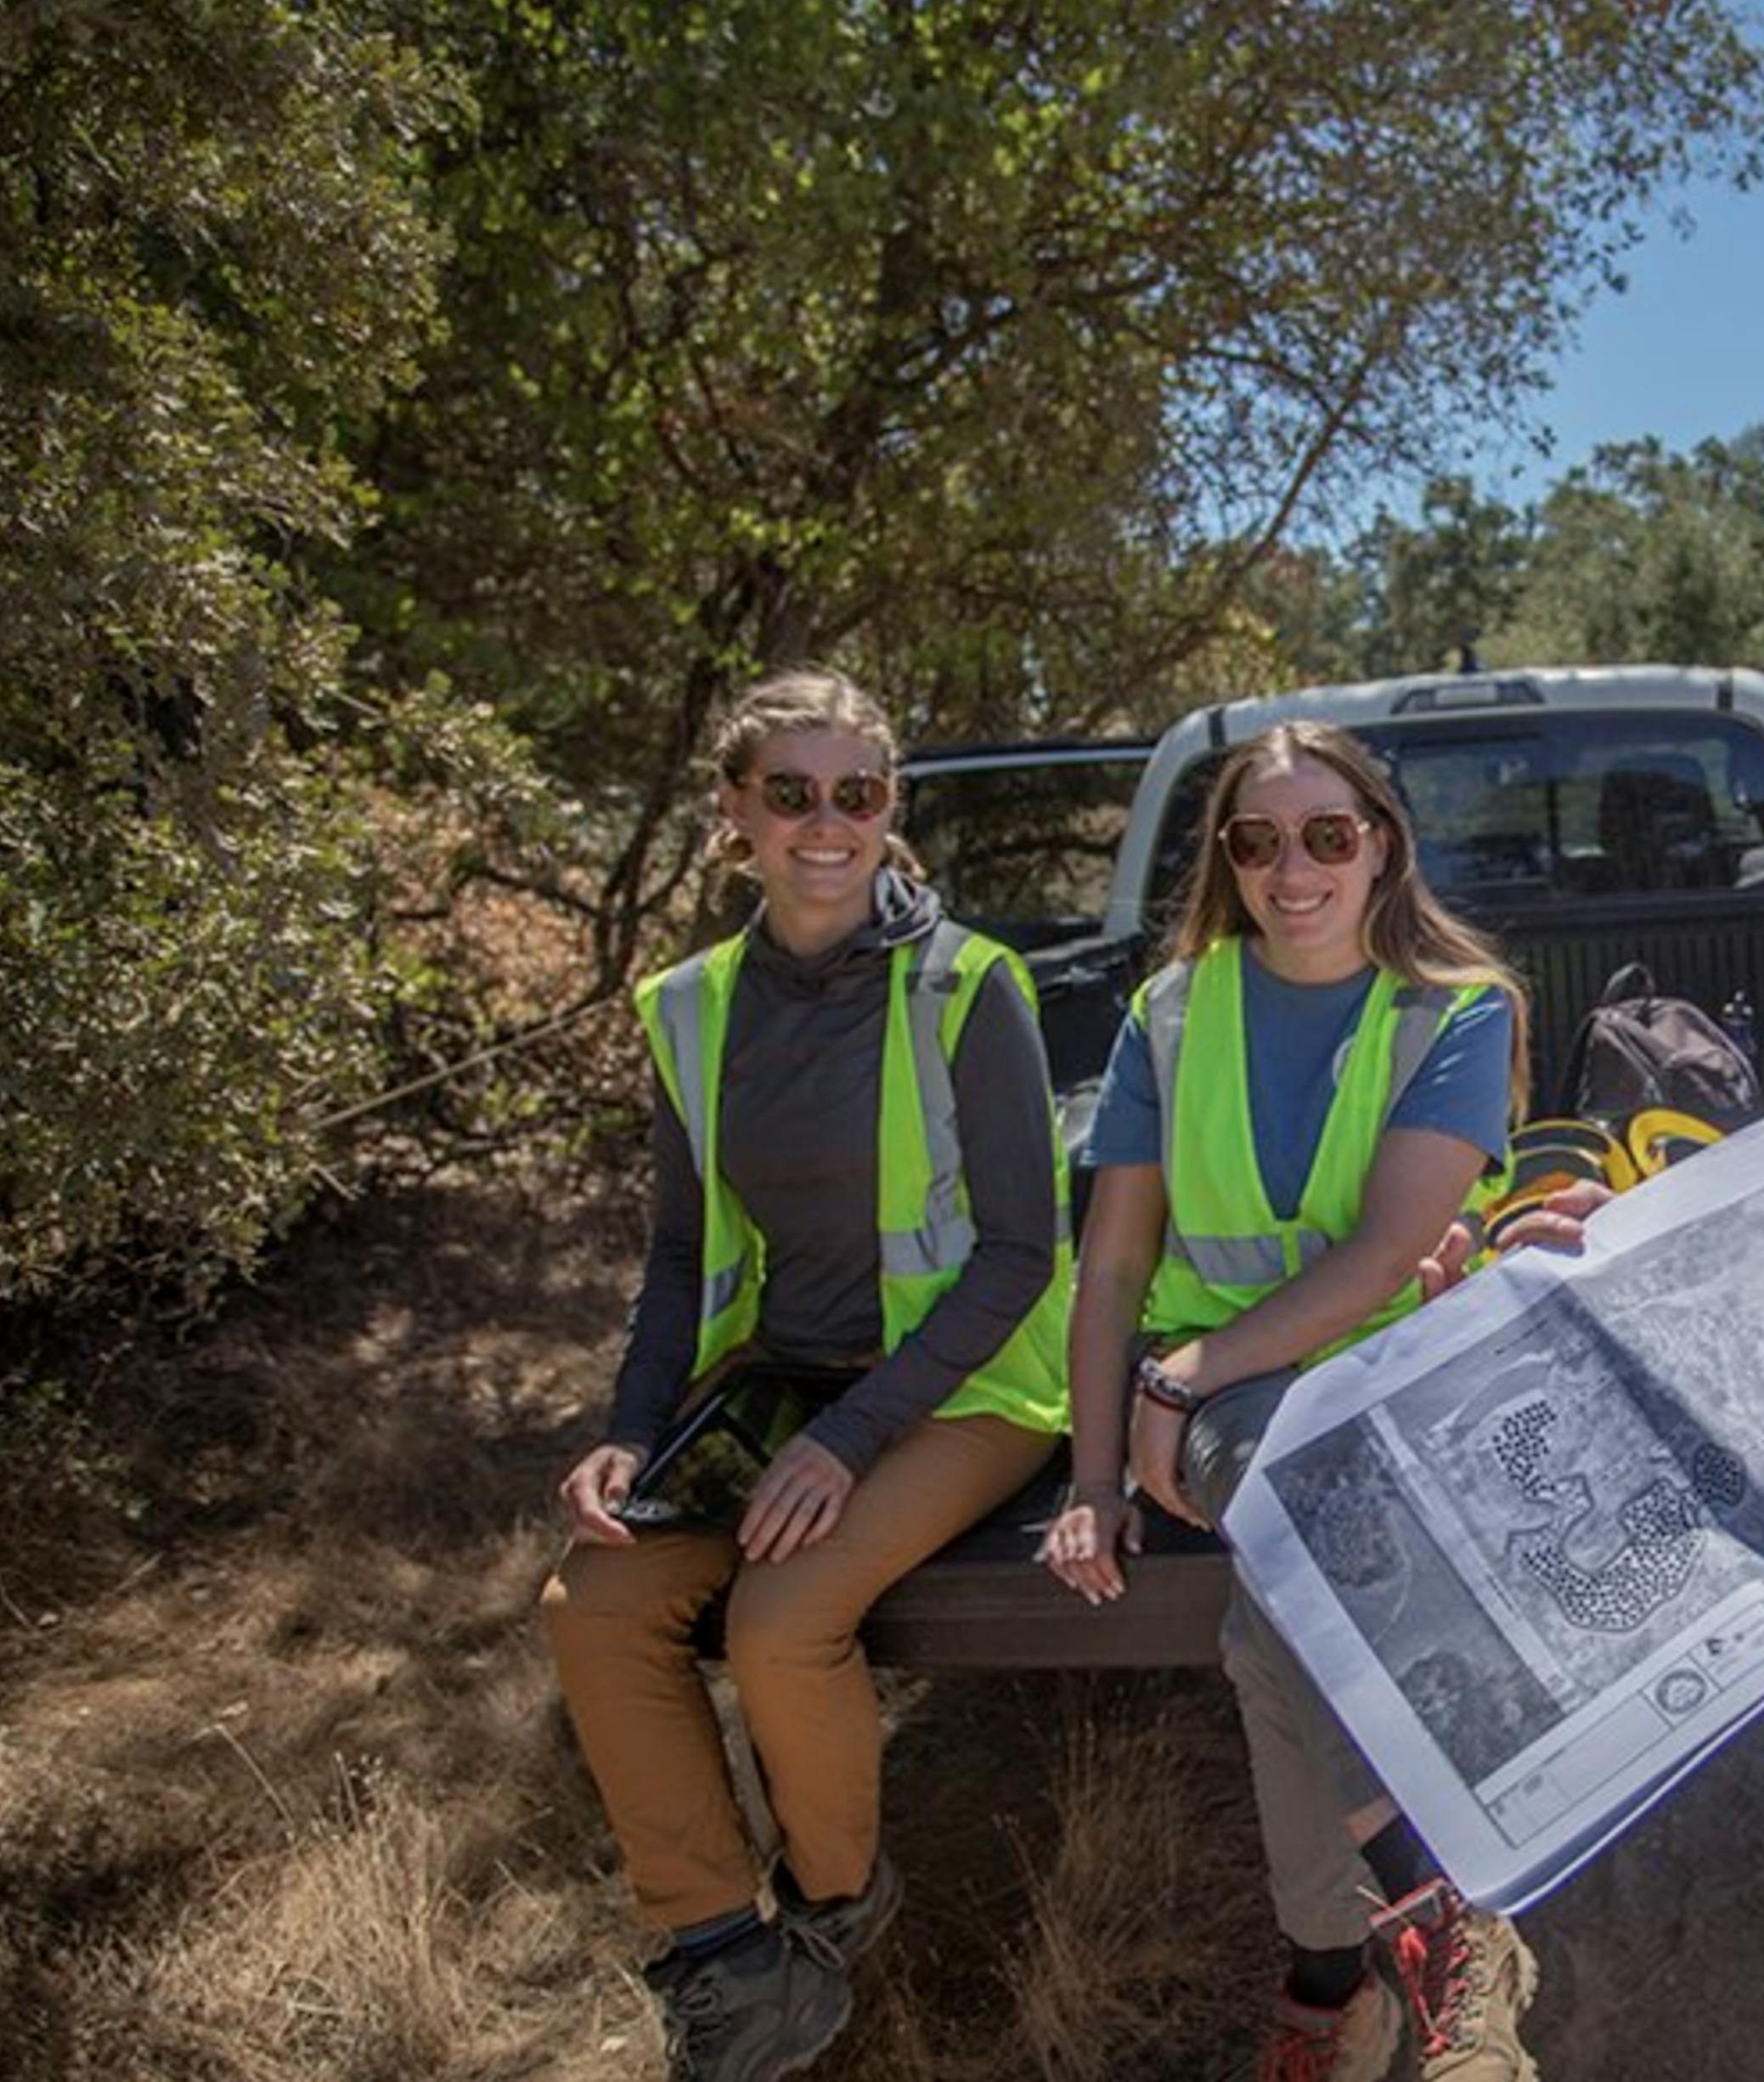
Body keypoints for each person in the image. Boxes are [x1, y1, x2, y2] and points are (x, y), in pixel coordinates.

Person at [541, 668, 1072, 2082]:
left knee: (781, 1623)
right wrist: (630, 1431)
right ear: (736, 813)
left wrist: (848, 1442)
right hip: (779, 1386)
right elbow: (671, 1254)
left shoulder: (971, 986)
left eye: (858, 795)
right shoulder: (691, 1008)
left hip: (962, 1393)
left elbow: (1022, 1253)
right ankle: (725, 1954)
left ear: (891, 810)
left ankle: (838, 1908)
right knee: (592, 1604)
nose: (825, 825)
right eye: (792, 795)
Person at [1039, 720, 1544, 2082]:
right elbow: (1118, 1263)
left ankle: (1348, 1967)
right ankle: (1441, 1914)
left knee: (1272, 1634)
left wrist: (1176, 1376)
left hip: (1402, 1373)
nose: (1295, 867)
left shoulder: (1457, 1004)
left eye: (1330, 834)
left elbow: (1388, 1257)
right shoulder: (1172, 1011)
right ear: (1228, 861)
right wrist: (1094, 1479)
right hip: (1237, 1413)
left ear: (1383, 844)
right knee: (1287, 1503)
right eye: (1259, 841)